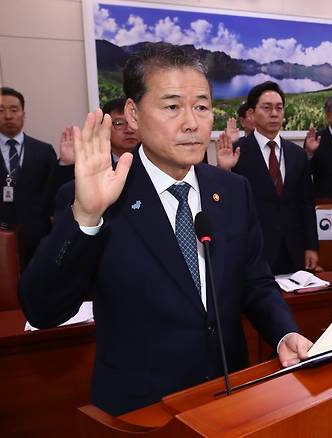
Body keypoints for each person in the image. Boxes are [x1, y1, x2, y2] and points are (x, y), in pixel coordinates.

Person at [18, 43, 312, 416]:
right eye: (172, 107)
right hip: (143, 411)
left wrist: (284, 333)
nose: (192, 123)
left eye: (202, 107)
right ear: (133, 115)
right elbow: (43, 310)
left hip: (230, 397)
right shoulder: (100, 196)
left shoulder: (232, 191)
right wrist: (86, 218)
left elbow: (255, 283)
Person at [216, 81, 319, 274]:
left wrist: (311, 246)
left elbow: (306, 204)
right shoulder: (237, 152)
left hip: (293, 248)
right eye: (267, 107)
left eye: (279, 108)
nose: (274, 113)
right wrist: (224, 170)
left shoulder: (297, 154)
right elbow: (225, 204)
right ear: (252, 114)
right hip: (253, 248)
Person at [0, 87, 60, 263]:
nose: (8, 116)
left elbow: (53, 196)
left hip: (37, 237)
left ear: (23, 114)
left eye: (14, 110)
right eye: (1, 110)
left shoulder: (43, 150)